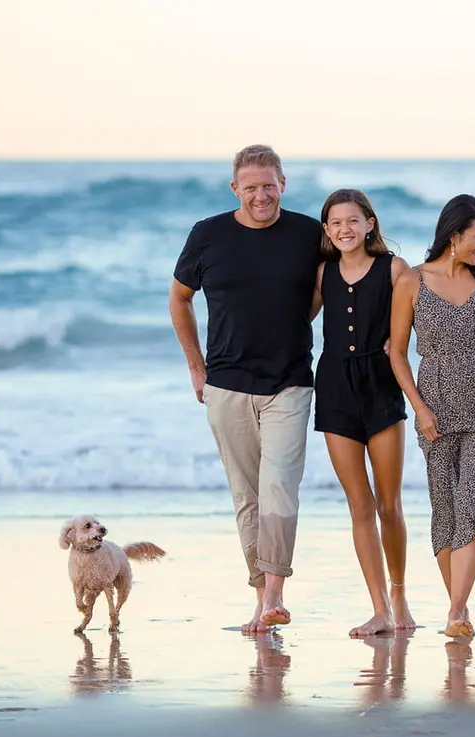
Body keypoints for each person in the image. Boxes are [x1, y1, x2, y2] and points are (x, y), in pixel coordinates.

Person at [169, 144, 322, 632]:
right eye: (251, 187)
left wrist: (293, 327)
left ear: (283, 184)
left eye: (269, 185)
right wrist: (196, 366)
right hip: (227, 384)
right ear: (235, 188)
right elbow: (179, 298)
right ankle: (261, 598)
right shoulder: (207, 235)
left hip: (291, 381)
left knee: (279, 487)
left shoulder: (307, 233)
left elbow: (325, 289)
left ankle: (275, 593)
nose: (261, 195)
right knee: (247, 496)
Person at [389, 194, 475, 639]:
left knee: (474, 502)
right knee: (445, 510)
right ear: (454, 234)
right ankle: (457, 612)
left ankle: (458, 610)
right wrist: (419, 408)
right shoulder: (411, 282)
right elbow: (397, 353)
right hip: (436, 408)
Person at [310, 188, 415, 637]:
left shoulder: (394, 269)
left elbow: (420, 321)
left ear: (370, 223)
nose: (344, 230)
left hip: (381, 387)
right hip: (334, 388)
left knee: (389, 505)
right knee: (360, 504)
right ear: (327, 231)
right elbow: (294, 323)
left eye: (353, 221)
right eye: (335, 223)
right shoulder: (322, 274)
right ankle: (378, 609)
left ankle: (398, 593)